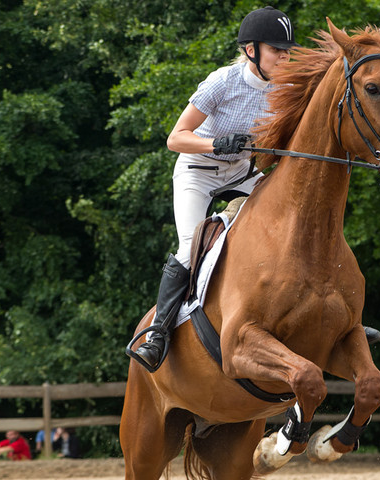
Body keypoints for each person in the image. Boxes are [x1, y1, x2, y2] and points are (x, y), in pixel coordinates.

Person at [127, 6, 299, 372]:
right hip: (198, 171)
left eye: (287, 51)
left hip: (242, 172)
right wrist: (217, 144)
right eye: (276, 50)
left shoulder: (286, 87)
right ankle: (157, 333)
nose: (284, 57)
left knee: (292, 225)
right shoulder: (223, 82)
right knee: (190, 247)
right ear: (251, 50)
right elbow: (176, 138)